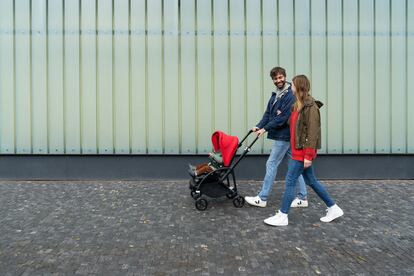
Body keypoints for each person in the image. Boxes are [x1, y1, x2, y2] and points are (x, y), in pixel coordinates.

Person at [264, 75, 344, 226]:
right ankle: (333, 208)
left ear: (298, 87)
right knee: (311, 181)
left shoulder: (310, 107)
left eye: (292, 85)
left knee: (290, 181)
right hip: (297, 150)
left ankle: (282, 215)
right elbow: (295, 126)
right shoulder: (298, 105)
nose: (290, 87)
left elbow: (312, 133)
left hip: (302, 153)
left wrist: (308, 155)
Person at [245, 67, 308, 208]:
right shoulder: (275, 95)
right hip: (285, 136)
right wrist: (258, 126)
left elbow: (282, 117)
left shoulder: (290, 95)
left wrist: (265, 129)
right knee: (294, 167)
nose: (278, 80)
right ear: (273, 80)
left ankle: (262, 197)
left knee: (271, 163)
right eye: (275, 78)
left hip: (284, 136)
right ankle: (303, 198)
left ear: (285, 77)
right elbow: (268, 114)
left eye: (281, 77)